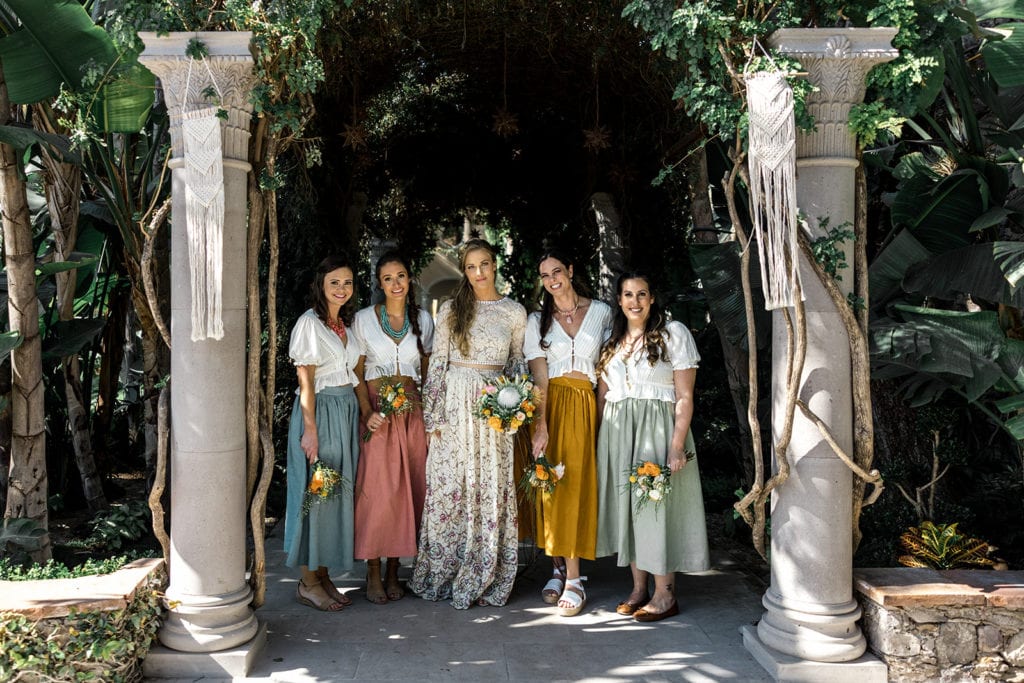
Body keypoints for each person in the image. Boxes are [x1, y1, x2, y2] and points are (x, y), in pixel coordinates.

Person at [409, 238, 527, 609]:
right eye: (472, 267)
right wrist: (433, 417)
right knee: (450, 487)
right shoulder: (450, 309)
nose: (479, 273)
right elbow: (438, 363)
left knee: (490, 487)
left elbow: (518, 364)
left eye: (485, 264)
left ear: (494, 265)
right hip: (455, 407)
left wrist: (515, 407)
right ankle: (445, 569)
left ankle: (487, 569)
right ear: (466, 270)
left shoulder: (514, 312)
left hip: (495, 409)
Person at [595, 270, 709, 622]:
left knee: (654, 509)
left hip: (655, 430)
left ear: (652, 297)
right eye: (628, 295)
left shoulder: (673, 334)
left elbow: (685, 396)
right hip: (617, 434)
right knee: (628, 510)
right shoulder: (611, 341)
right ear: (619, 300)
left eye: (641, 294)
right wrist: (601, 441)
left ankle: (665, 594)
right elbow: (603, 397)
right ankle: (637, 588)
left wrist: (676, 445)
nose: (635, 301)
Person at [524, 250, 612, 616]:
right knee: (550, 486)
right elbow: (540, 376)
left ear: (571, 270)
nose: (552, 280)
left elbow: (607, 370)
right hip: (551, 405)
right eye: (545, 276)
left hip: (586, 403)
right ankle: (561, 570)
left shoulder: (603, 312)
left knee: (575, 487)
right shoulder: (536, 320)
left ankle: (572, 575)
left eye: (557, 271)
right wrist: (540, 425)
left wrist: (603, 417)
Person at [352, 250, 434, 604]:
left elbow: (430, 371)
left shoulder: (425, 321)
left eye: (400, 276)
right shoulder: (363, 320)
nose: (396, 284)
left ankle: (393, 570)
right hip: (379, 411)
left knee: (410, 489)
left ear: (409, 278)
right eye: (388, 278)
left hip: (412, 411)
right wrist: (367, 410)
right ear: (379, 284)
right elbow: (355, 371)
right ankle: (372, 569)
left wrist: (429, 415)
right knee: (378, 491)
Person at [284, 253, 363, 611]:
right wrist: (310, 431)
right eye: (334, 282)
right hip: (322, 416)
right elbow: (306, 383)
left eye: (347, 282)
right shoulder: (310, 324)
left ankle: (324, 574)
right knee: (316, 495)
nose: (341, 289)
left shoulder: (343, 325)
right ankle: (307, 581)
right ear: (321, 285)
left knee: (334, 497)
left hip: (345, 415)